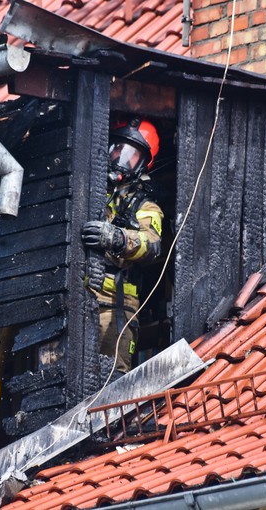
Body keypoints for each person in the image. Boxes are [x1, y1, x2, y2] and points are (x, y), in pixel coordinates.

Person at [81, 117, 164, 375]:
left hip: (115, 303)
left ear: (143, 165)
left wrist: (117, 238)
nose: (119, 157)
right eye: (116, 148)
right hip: (79, 295)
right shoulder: (89, 192)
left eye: (130, 154)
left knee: (112, 377)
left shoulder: (145, 207)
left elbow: (152, 244)